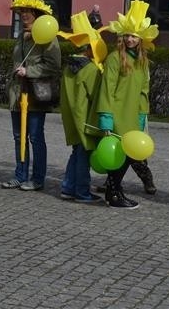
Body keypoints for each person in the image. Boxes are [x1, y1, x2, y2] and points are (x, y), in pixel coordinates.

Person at [96, 0, 159, 209]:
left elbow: (144, 93)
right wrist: (106, 118)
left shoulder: (142, 62)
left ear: (141, 39)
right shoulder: (115, 58)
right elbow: (107, 89)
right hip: (116, 115)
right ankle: (114, 194)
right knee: (119, 157)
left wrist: (142, 117)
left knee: (128, 155)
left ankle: (114, 192)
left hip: (132, 117)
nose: (130, 39)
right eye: (127, 35)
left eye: (134, 36)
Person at [2, 0, 62, 191]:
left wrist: (30, 71)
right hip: (18, 93)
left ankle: (37, 179)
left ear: (37, 14)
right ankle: (20, 175)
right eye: (21, 12)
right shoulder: (21, 35)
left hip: (36, 94)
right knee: (19, 137)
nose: (24, 15)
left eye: (28, 11)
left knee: (35, 137)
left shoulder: (47, 36)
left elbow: (54, 66)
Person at [57, 11, 108, 203]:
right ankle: (82, 191)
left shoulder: (69, 67)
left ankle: (68, 187)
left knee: (76, 152)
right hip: (85, 118)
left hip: (72, 116)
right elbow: (96, 96)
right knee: (84, 155)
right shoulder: (90, 69)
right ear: (89, 49)